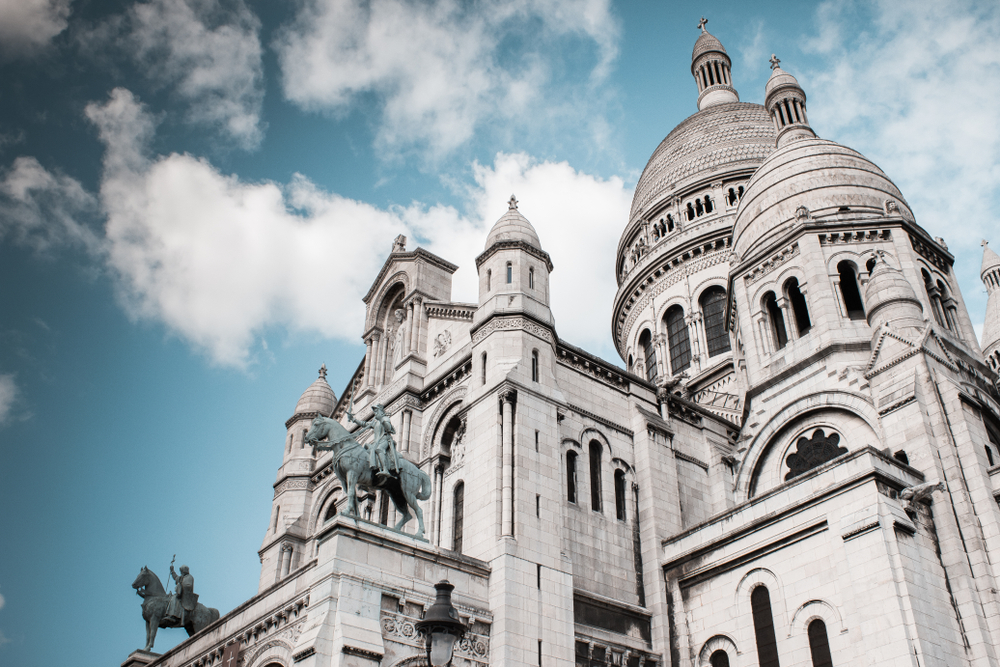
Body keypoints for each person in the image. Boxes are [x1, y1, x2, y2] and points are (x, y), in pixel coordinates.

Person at [347, 404, 400, 480]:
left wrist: (381, 419)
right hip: (377, 441)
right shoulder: (375, 422)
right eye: (374, 411)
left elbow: (388, 428)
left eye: (376, 411)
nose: (375, 413)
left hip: (385, 440)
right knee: (366, 452)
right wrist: (353, 419)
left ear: (380, 411)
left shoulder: (385, 418)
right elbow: (364, 424)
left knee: (379, 449)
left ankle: (385, 470)